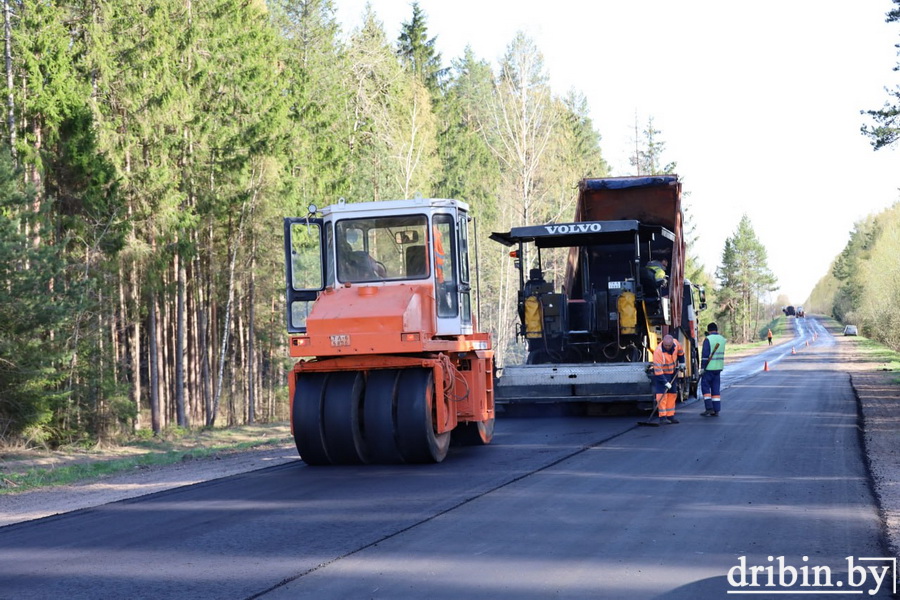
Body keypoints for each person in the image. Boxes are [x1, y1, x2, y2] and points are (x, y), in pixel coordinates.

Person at [652, 334, 685, 424]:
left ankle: (670, 415)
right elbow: (658, 371)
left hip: (672, 373)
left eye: (669, 345)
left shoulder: (676, 344)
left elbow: (681, 353)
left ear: (672, 344)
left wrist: (682, 363)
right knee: (662, 396)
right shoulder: (658, 352)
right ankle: (663, 417)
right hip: (662, 375)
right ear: (663, 342)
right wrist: (665, 382)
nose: (667, 347)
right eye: (665, 345)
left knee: (672, 394)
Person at [700, 322, 727, 417]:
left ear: (708, 331)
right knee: (715, 389)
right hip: (718, 367)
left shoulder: (708, 339)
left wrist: (702, 368)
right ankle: (716, 409)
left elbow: (705, 356)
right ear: (716, 330)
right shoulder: (722, 339)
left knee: (705, 386)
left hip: (709, 368)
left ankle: (709, 408)